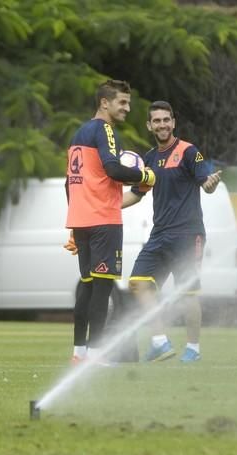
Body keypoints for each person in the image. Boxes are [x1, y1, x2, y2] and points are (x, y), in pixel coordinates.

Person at [65, 79, 156, 364]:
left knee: (88, 286)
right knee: (102, 289)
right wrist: (145, 176)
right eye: (122, 102)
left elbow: (70, 185)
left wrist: (75, 223)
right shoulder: (105, 129)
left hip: (83, 221)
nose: (127, 108)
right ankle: (96, 354)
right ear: (105, 102)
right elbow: (114, 168)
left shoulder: (79, 133)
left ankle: (79, 353)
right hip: (104, 222)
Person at [121, 100, 220, 363]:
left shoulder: (188, 151)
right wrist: (107, 206)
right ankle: (160, 342)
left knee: (188, 293)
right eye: (157, 120)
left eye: (166, 119)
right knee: (139, 283)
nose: (162, 124)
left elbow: (206, 182)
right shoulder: (150, 158)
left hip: (189, 234)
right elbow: (136, 193)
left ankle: (193, 350)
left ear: (173, 123)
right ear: (149, 125)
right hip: (159, 234)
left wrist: (210, 184)